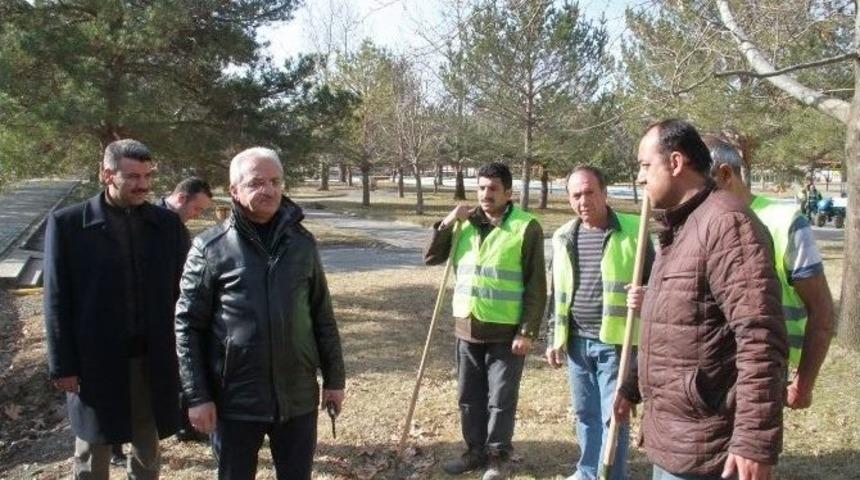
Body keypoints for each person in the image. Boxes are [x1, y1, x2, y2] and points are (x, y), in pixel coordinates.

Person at [616, 119, 788, 480]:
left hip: (709, 449)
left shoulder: (727, 225)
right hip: (672, 437)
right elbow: (673, 324)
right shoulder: (679, 228)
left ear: (676, 163)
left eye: (646, 166)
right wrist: (631, 386)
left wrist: (755, 441)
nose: (640, 178)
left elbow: (760, 338)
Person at [175, 147, 345, 480]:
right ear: (234, 190)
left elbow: (322, 314)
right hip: (235, 400)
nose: (268, 190)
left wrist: (335, 379)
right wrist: (197, 396)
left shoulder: (303, 244)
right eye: (256, 182)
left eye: (275, 181)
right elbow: (188, 326)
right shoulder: (210, 248)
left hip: (297, 398)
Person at [44, 139, 188, 479]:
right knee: (93, 451)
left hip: (151, 357)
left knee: (147, 446)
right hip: (94, 362)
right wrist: (62, 365)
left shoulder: (166, 225)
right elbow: (56, 298)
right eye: (133, 176)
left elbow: (185, 292)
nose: (143, 185)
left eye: (148, 176)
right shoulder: (68, 225)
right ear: (107, 175)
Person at [424, 162, 546, 480]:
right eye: (481, 188)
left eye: (493, 189)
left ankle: (497, 456)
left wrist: (527, 330)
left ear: (508, 192)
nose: (485, 194)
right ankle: (474, 451)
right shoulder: (465, 224)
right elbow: (432, 256)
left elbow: (536, 285)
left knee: (501, 398)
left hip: (506, 332)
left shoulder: (526, 226)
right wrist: (450, 220)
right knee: (468, 396)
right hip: (467, 326)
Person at [705, 135, 834, 409]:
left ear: (726, 174)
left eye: (702, 189)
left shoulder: (784, 222)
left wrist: (803, 384)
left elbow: (822, 311)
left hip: (763, 375)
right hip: (707, 373)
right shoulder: (698, 223)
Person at [545, 166, 653, 480]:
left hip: (616, 343)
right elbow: (558, 292)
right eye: (576, 195)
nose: (583, 200)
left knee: (614, 416)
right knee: (585, 413)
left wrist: (647, 293)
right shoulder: (563, 235)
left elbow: (659, 281)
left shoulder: (636, 229)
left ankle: (611, 475)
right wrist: (554, 336)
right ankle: (587, 470)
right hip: (577, 340)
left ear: (604, 193)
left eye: (590, 192)